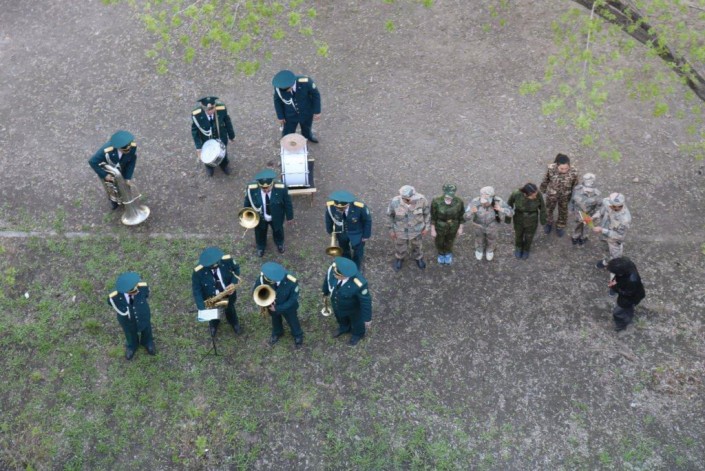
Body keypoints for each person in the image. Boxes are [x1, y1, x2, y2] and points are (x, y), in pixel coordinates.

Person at [243, 169, 294, 257]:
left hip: (276, 216)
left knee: (278, 230)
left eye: (268, 188)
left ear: (272, 184)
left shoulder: (281, 188)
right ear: (259, 185)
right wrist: (247, 217)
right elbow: (247, 202)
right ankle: (261, 247)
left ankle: (279, 243)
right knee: (260, 232)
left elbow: (287, 203)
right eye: (263, 188)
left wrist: (290, 217)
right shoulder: (251, 189)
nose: (266, 190)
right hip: (260, 217)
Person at [192, 247, 242, 337]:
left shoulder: (227, 259)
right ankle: (214, 325)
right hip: (211, 297)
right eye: (212, 265)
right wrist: (202, 308)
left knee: (230, 309)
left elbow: (236, 269)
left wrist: (233, 283)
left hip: (228, 293)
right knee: (213, 312)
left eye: (217, 263)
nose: (216, 265)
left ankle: (233, 322)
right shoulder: (198, 271)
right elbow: (196, 290)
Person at [322, 257, 372, 346]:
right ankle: (344, 327)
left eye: (338, 276)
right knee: (340, 317)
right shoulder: (333, 269)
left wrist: (367, 318)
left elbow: (366, 301)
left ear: (345, 276)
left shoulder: (359, 283)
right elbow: (327, 280)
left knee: (357, 322)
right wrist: (325, 291)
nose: (335, 276)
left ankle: (358, 334)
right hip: (337, 304)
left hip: (353, 309)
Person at [253, 262, 303, 348]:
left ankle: (297, 335)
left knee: (293, 321)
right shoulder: (264, 277)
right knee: (275, 320)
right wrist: (264, 301)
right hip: (271, 305)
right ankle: (277, 332)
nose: (267, 280)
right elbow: (256, 290)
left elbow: (292, 300)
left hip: (288, 308)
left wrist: (277, 308)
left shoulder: (292, 281)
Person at [108, 272, 156, 360]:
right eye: (133, 291)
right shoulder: (114, 297)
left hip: (142, 314)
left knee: (146, 328)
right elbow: (111, 303)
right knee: (129, 332)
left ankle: (147, 342)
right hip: (127, 319)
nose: (136, 291)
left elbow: (146, 295)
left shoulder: (143, 287)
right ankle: (132, 346)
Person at [89, 130, 138, 210]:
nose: (128, 151)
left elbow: (132, 160)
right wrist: (105, 175)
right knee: (112, 189)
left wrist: (128, 177)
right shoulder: (106, 150)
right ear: (118, 147)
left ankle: (126, 201)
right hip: (109, 173)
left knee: (126, 187)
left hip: (122, 169)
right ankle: (114, 202)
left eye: (129, 149)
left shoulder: (132, 147)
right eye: (124, 150)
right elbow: (92, 161)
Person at [387, 185, 430, 271]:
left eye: (410, 198)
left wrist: (426, 227)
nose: (408, 200)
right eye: (405, 198)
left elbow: (427, 214)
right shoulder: (394, 202)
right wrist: (391, 230)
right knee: (400, 245)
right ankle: (400, 257)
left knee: (417, 245)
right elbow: (390, 216)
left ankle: (418, 257)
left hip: (417, 230)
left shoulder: (422, 200)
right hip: (400, 230)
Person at [465, 186, 514, 261]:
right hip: (478, 226)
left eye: (487, 200)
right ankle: (479, 250)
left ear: (491, 197)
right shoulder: (475, 202)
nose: (484, 203)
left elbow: (511, 213)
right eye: (483, 198)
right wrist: (471, 212)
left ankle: (490, 250)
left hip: (492, 226)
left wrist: (501, 209)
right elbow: (465, 217)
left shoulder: (498, 201)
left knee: (492, 239)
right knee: (479, 238)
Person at [325, 190, 372, 268]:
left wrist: (366, 235)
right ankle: (347, 265)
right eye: (338, 208)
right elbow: (328, 219)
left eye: (342, 208)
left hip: (357, 233)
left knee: (358, 252)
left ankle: (356, 266)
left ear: (348, 203)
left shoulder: (360, 207)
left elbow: (367, 220)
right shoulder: (330, 206)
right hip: (341, 233)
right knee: (344, 250)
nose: (339, 210)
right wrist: (330, 232)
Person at [272, 70, 322, 143]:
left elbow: (316, 95)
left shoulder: (306, 82)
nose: (287, 92)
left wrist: (317, 111)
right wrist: (280, 116)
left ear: (292, 84)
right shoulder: (279, 87)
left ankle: (308, 136)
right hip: (289, 115)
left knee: (307, 127)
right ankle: (287, 142)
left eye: (287, 89)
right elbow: (277, 101)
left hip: (306, 111)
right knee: (288, 131)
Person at [191, 96, 236, 176]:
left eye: (212, 108)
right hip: (206, 139)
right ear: (203, 109)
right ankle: (209, 167)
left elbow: (227, 122)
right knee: (207, 154)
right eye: (208, 109)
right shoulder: (197, 114)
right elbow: (195, 132)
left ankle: (224, 165)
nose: (211, 111)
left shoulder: (221, 109)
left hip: (221, 136)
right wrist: (198, 147)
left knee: (223, 152)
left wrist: (231, 136)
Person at [540, 153, 579, 237]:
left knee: (563, 211)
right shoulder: (551, 169)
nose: (564, 170)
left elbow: (575, 185)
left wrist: (574, 198)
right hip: (552, 195)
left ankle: (560, 226)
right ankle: (548, 223)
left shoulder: (574, 172)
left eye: (566, 168)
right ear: (557, 165)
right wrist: (542, 190)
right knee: (548, 209)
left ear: (569, 165)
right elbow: (546, 180)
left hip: (565, 196)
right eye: (561, 168)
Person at [507, 183, 547, 260]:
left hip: (532, 219)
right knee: (518, 234)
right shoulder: (516, 194)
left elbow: (542, 207)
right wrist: (508, 218)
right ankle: (518, 247)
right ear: (525, 194)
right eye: (533, 196)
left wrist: (543, 220)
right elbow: (509, 205)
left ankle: (526, 249)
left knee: (529, 236)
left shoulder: (538, 194)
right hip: (518, 218)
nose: (535, 197)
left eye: (536, 194)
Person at [591, 192, 631, 269]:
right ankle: (607, 260)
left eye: (611, 206)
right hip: (604, 235)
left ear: (617, 207)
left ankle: (611, 268)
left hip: (614, 241)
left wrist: (602, 230)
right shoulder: (609, 203)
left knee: (615, 258)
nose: (609, 206)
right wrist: (593, 217)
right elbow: (601, 211)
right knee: (605, 250)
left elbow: (618, 235)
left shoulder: (624, 219)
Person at [606, 257, 645, 331]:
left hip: (630, 298)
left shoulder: (632, 281)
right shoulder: (628, 266)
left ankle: (621, 325)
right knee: (628, 309)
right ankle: (628, 317)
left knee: (617, 312)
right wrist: (615, 281)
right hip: (635, 294)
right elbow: (619, 277)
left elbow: (627, 293)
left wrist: (614, 287)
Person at [430, 184, 465, 265]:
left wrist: (460, 228)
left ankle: (448, 253)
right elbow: (433, 216)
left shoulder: (459, 201)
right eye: (447, 194)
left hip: (453, 225)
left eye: (451, 194)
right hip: (440, 225)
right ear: (444, 192)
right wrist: (432, 229)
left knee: (450, 240)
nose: (449, 197)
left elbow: (461, 215)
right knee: (439, 241)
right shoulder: (436, 201)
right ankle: (441, 253)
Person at [568, 173, 602, 246]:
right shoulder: (577, 189)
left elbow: (599, 206)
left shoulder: (597, 194)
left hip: (589, 215)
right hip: (578, 214)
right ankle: (575, 236)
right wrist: (570, 209)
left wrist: (595, 216)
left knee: (587, 227)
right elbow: (572, 200)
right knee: (577, 225)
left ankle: (583, 237)